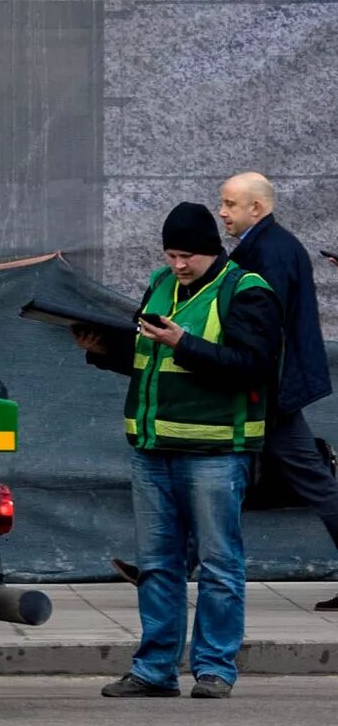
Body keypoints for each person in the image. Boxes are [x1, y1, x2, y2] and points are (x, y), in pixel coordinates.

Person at [77, 203, 278, 698]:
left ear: (212, 251)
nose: (178, 265)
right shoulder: (160, 285)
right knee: (159, 564)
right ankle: (154, 669)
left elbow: (252, 366)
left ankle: (214, 669)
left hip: (214, 452)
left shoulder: (246, 291)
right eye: (170, 254)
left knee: (219, 564)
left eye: (187, 256)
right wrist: (104, 351)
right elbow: (149, 360)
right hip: (153, 450)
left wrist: (183, 342)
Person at [217, 172, 338, 610]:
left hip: (268, 389)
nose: (223, 212)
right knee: (223, 478)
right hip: (270, 386)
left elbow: (264, 329)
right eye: (223, 203)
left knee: (226, 476)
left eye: (230, 204)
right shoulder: (269, 246)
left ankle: (164, 568)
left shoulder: (269, 252)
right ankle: (164, 567)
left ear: (257, 208)